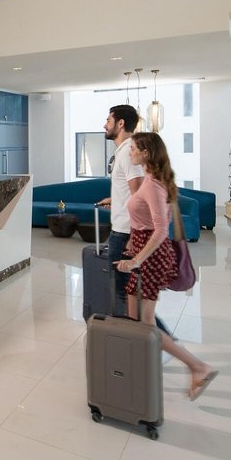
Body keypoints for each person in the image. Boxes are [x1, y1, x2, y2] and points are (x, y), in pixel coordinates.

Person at [114, 132, 218, 400]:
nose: (130, 153)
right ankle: (143, 367)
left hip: (152, 258)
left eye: (134, 149)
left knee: (145, 323)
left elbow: (161, 229)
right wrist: (133, 243)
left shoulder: (153, 186)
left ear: (146, 153)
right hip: (144, 252)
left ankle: (198, 367)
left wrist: (136, 259)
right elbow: (146, 222)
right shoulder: (151, 180)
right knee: (137, 321)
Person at [97, 105, 173, 337]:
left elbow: (140, 195)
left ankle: (157, 340)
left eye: (108, 120)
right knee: (129, 294)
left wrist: (132, 237)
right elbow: (135, 196)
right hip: (124, 231)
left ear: (120, 123)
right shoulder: (124, 152)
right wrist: (116, 199)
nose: (105, 125)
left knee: (126, 294)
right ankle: (144, 341)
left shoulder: (127, 154)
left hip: (125, 233)